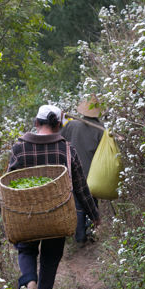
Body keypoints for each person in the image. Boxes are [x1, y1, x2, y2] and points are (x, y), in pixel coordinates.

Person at [8, 104, 100, 289]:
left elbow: (9, 184)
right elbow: (80, 187)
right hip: (56, 214)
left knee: (26, 249)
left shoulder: (19, 148)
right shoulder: (66, 150)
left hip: (27, 213)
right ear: (59, 125)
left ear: (36, 122)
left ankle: (29, 281)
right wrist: (94, 215)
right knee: (51, 254)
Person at [60, 95, 104, 246]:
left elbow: (61, 141)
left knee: (78, 203)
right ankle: (89, 232)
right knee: (92, 201)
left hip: (73, 170)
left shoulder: (72, 125)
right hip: (93, 172)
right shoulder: (101, 130)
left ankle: (80, 237)